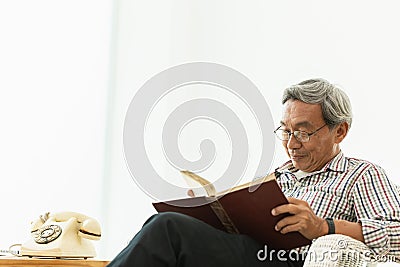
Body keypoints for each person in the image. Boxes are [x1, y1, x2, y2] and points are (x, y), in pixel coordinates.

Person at [107, 78, 400, 267]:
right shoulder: (278, 175)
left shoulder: (362, 174)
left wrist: (323, 227)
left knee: (168, 229)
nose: (291, 144)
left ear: (340, 131)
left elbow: (397, 233)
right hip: (251, 253)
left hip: (288, 261)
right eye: (285, 132)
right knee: (165, 222)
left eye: (303, 132)